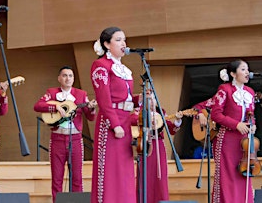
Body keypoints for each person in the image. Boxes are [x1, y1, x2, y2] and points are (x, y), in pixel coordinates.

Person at [90, 27, 141, 203]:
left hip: (126, 121)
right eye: (118, 40)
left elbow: (124, 98)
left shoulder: (124, 69)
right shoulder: (100, 66)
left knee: (125, 171)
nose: (124, 43)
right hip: (111, 124)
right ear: (106, 44)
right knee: (110, 170)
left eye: (124, 39)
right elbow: (103, 99)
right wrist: (114, 124)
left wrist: (139, 99)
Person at [34, 66, 97, 203]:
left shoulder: (81, 94)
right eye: (64, 75)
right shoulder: (52, 93)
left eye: (70, 76)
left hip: (75, 139)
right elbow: (38, 106)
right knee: (57, 177)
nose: (68, 78)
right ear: (59, 78)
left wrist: (91, 109)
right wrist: (55, 107)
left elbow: (90, 117)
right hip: (57, 138)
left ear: (73, 79)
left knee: (77, 177)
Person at [210, 59, 257, 203]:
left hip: (244, 141)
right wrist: (236, 124)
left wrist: (252, 125)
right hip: (227, 139)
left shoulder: (250, 91)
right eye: (243, 69)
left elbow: (251, 114)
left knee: (243, 173)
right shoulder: (225, 89)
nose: (247, 72)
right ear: (232, 73)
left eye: (247, 69)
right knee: (227, 175)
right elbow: (215, 114)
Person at [133, 90, 183, 203]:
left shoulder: (161, 111)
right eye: (149, 100)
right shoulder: (139, 111)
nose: (151, 102)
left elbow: (171, 128)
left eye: (153, 99)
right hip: (145, 145)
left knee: (160, 177)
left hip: (158, 146)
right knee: (145, 177)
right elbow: (131, 120)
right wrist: (147, 121)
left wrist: (177, 120)